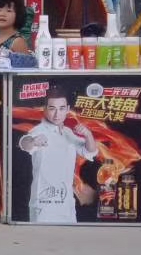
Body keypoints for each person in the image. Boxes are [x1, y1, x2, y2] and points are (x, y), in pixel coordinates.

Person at [18, 88, 98, 224]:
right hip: (44, 204)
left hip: (67, 204)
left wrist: (88, 135)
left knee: (68, 237)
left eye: (61, 108)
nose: (57, 114)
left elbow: (89, 151)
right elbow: (24, 143)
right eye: (52, 108)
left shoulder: (68, 132)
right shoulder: (39, 130)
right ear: (45, 109)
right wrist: (33, 141)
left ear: (67, 109)